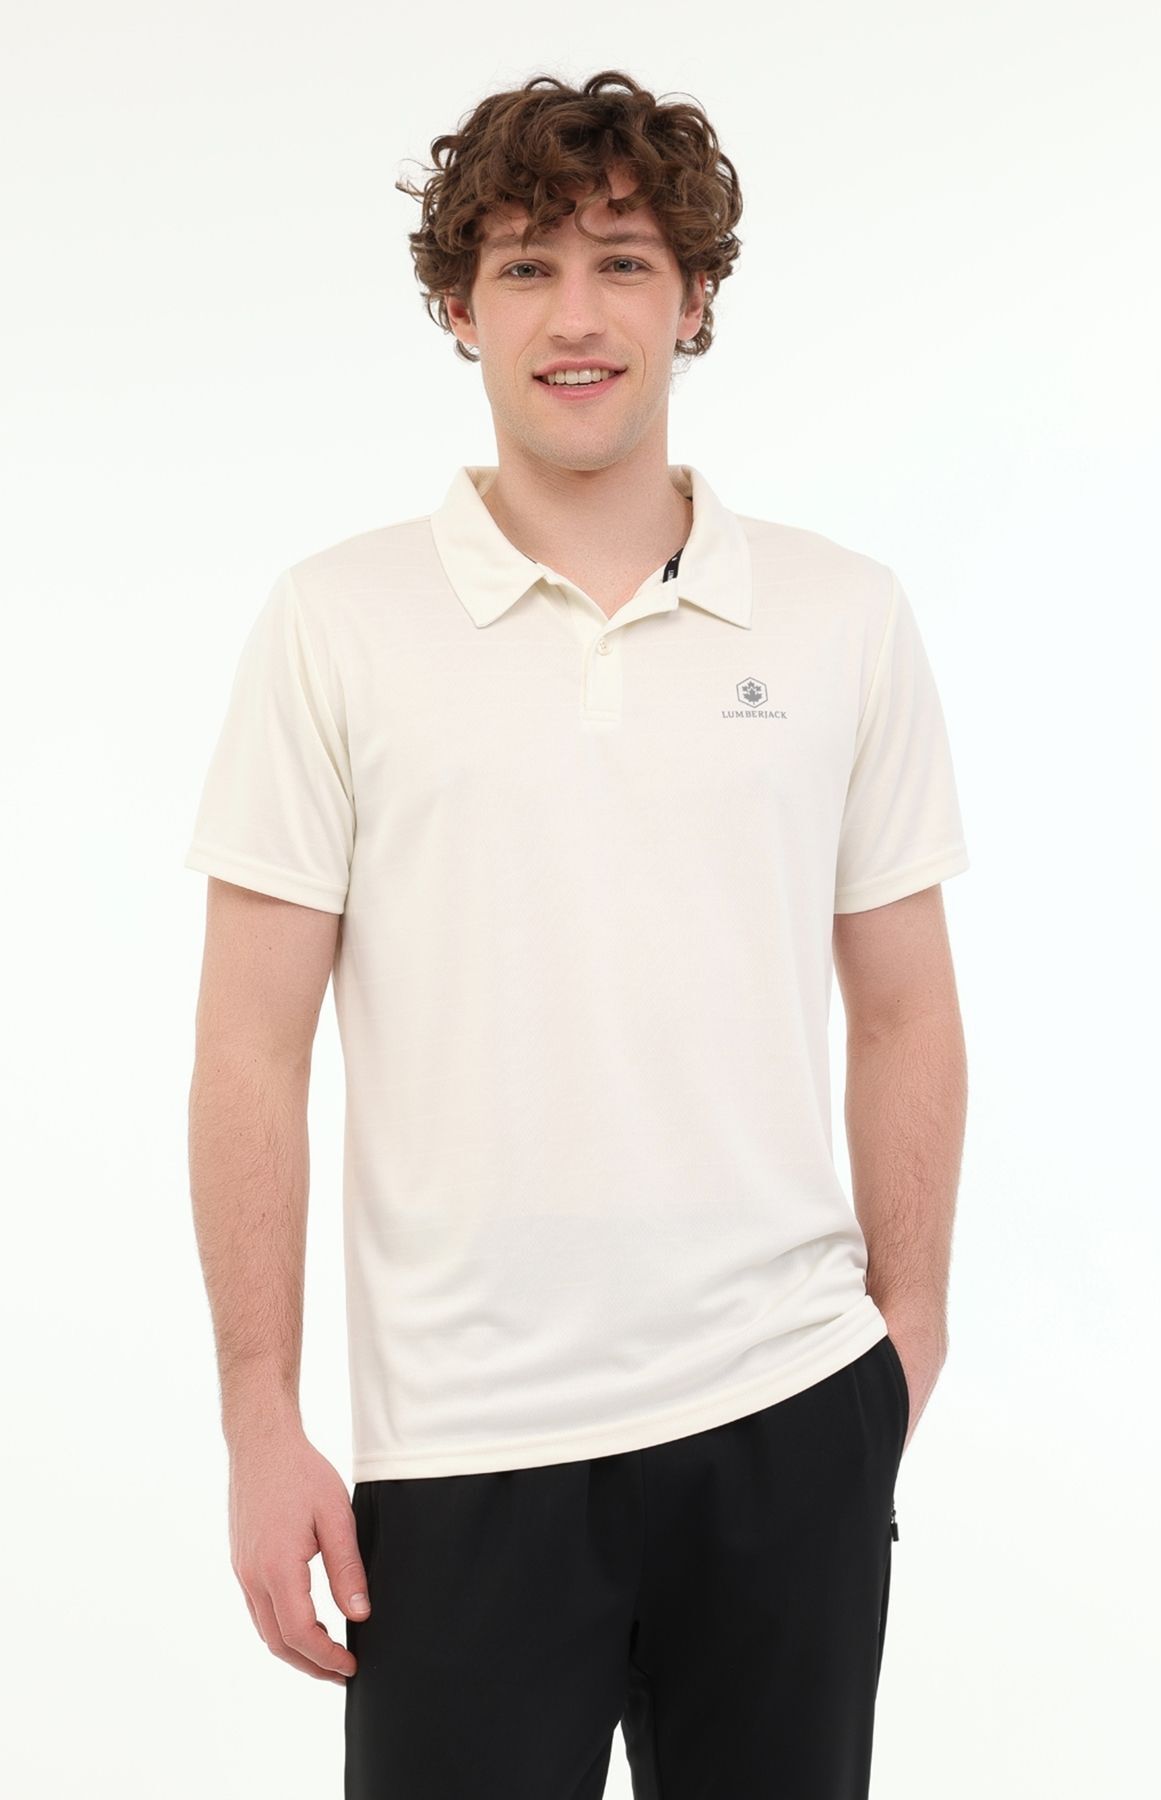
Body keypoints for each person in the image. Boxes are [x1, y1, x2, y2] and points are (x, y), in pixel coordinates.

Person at [184, 67, 970, 1800]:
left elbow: (907, 1006)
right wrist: (259, 1419)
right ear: (459, 307)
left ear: (695, 297)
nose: (577, 317)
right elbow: (250, 1044)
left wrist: (904, 1339)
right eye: (526, 266)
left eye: (623, 262)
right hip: (461, 1453)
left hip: (788, 1419)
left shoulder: (843, 616)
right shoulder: (335, 624)